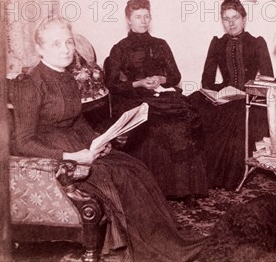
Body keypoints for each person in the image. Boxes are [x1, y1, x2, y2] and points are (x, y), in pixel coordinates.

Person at [10, 15, 204, 262]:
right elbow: (23, 141)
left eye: (69, 42)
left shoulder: (68, 78)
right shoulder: (29, 84)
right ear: (39, 48)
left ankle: (168, 240)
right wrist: (70, 156)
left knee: (135, 166)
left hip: (79, 147)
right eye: (56, 44)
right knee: (120, 176)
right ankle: (154, 249)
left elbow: (76, 120)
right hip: (59, 160)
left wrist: (100, 139)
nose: (65, 50)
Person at [105, 0, 207, 199]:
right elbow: (113, 83)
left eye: (146, 16)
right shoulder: (120, 48)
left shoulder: (161, 45)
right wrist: (139, 83)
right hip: (133, 98)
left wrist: (161, 78)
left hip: (160, 95)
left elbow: (176, 76)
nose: (143, 21)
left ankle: (185, 188)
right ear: (128, 20)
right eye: (138, 16)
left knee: (184, 119)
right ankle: (159, 188)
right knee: (164, 124)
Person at [187, 0, 274, 189]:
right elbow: (206, 81)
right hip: (224, 93)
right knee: (192, 103)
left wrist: (246, 93)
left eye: (235, 17)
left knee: (234, 113)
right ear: (222, 21)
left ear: (244, 18)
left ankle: (228, 176)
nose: (231, 22)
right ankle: (199, 174)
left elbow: (268, 79)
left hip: (248, 97)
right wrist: (215, 95)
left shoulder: (257, 43)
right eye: (226, 18)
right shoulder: (217, 43)